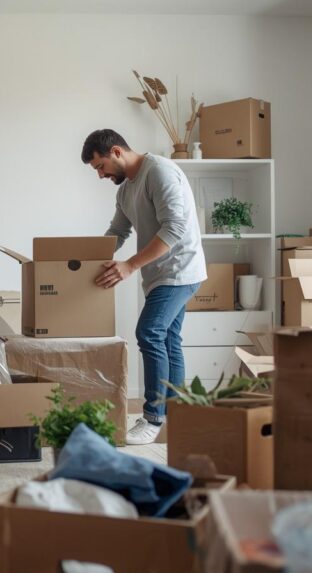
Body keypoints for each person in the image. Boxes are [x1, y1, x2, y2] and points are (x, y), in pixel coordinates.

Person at [81, 129, 207, 445]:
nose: (100, 175)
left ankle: (152, 418)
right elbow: (117, 232)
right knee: (168, 339)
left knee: (149, 332)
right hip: (157, 274)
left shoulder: (160, 172)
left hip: (180, 270)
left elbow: (175, 228)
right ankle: (177, 416)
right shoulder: (125, 192)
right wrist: (81, 260)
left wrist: (129, 266)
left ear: (116, 152)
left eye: (100, 166)